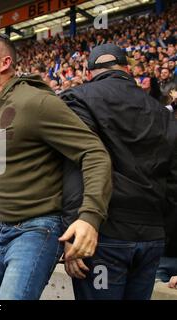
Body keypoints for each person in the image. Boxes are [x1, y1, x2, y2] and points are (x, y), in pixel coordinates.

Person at [0, 31, 112, 300]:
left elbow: (93, 152)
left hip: (39, 228)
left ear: (5, 63)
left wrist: (89, 217)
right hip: (1, 230)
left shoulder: (34, 101)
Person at [60, 43, 177, 300]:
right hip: (152, 235)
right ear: (127, 69)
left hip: (103, 233)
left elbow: (76, 166)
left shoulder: (78, 97)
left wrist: (72, 230)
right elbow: (173, 181)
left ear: (90, 72)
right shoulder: (163, 112)